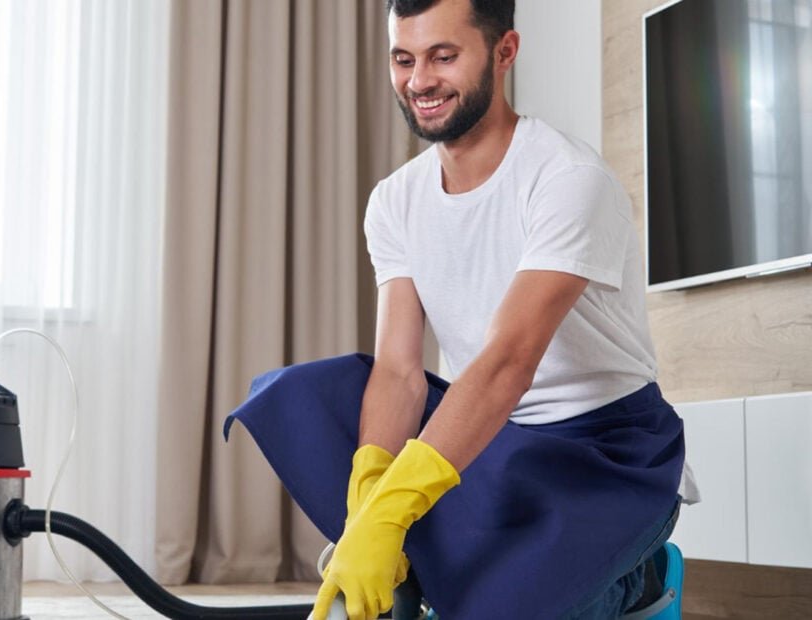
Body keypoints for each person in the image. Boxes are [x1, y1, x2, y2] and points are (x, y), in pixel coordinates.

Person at [225, 0, 692, 617]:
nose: (419, 81)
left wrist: (398, 509)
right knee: (301, 393)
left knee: (495, 608)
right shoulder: (395, 200)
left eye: (443, 57)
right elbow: (398, 371)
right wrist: (370, 503)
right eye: (403, 59)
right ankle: (420, 556)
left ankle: (638, 579)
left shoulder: (568, 179)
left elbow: (508, 360)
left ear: (504, 52)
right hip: (493, 432)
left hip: (601, 450)